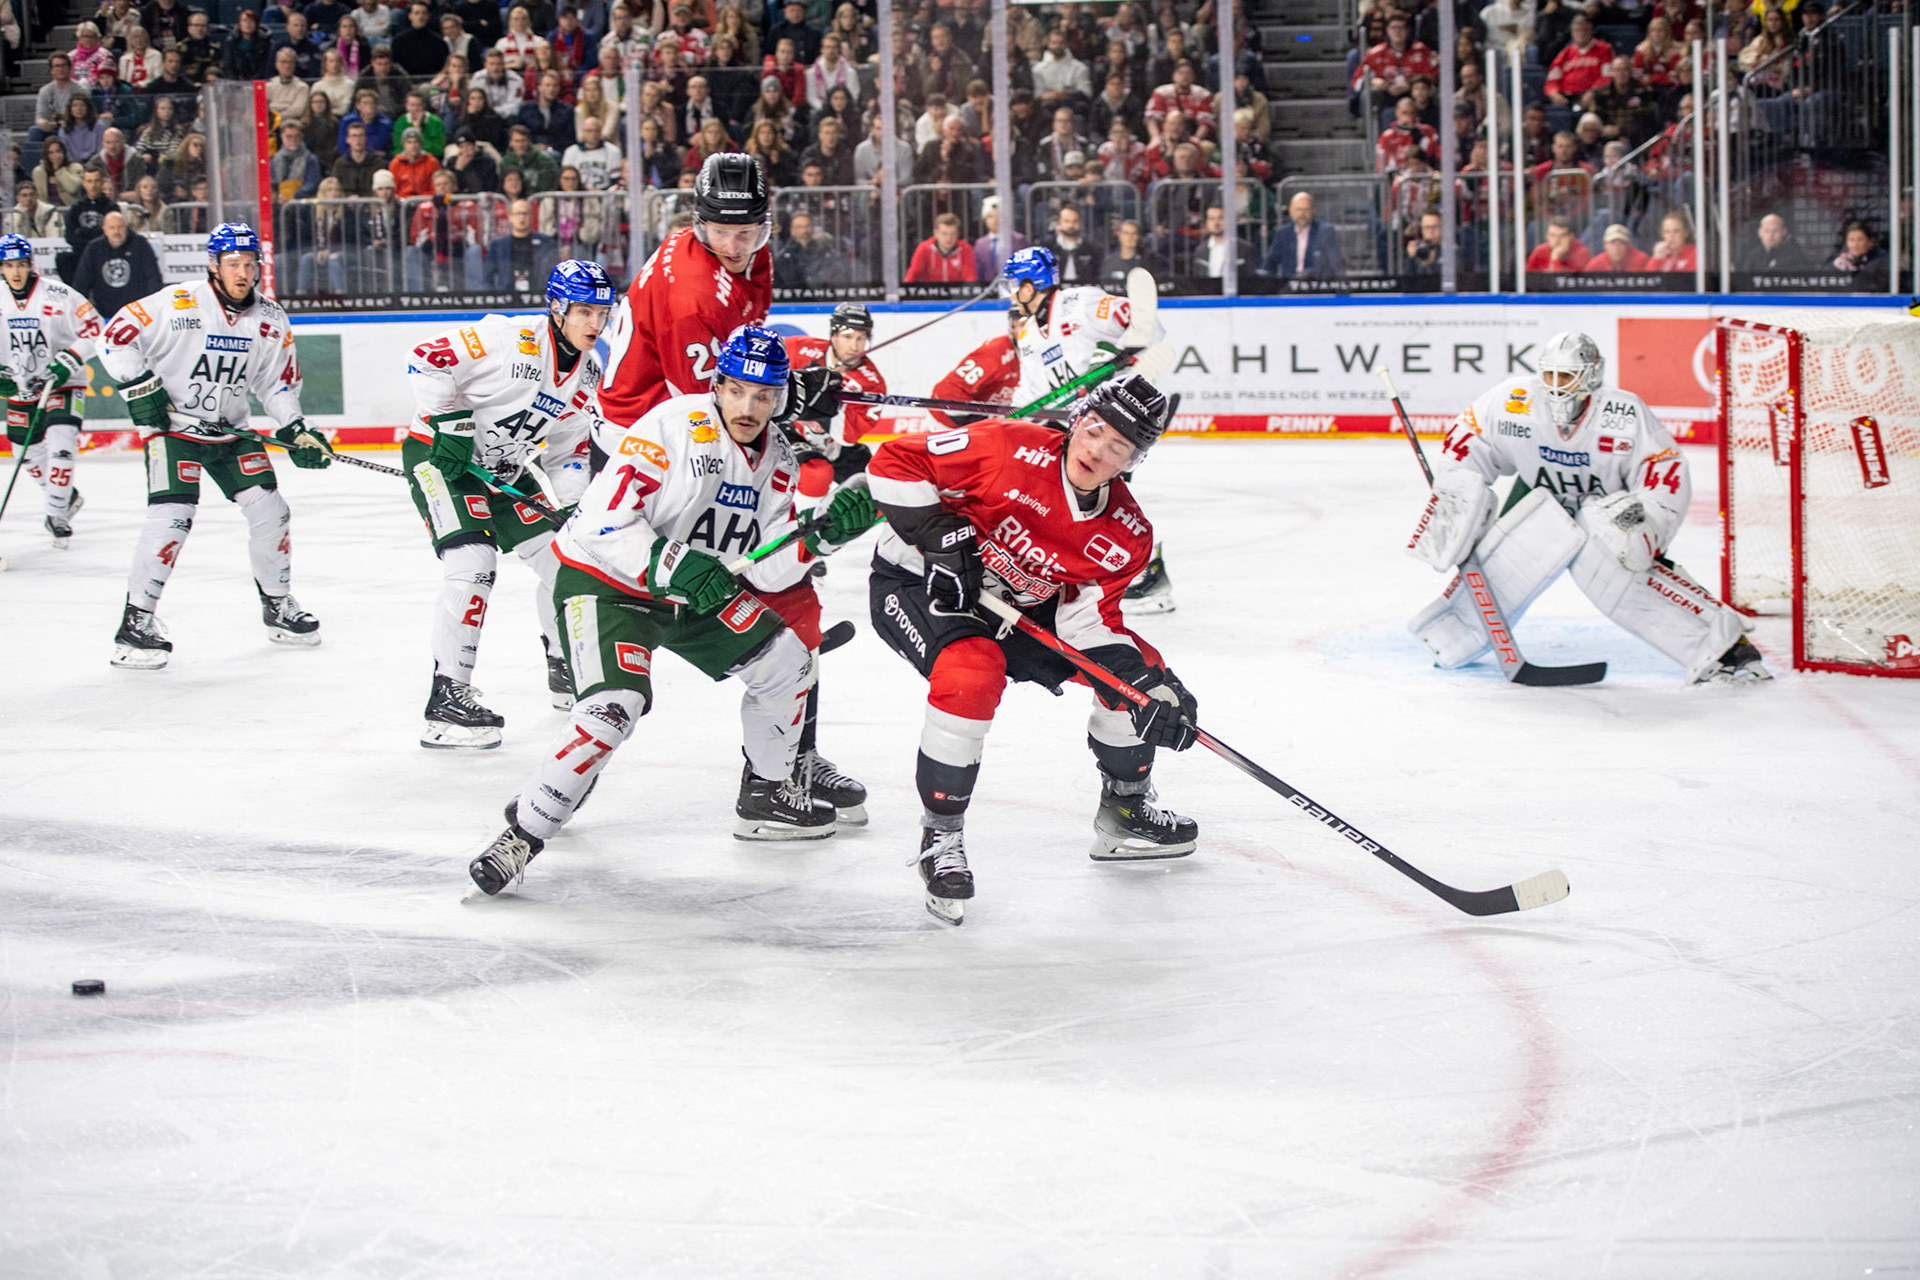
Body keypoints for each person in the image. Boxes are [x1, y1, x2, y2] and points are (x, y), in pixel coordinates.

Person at [463, 322, 882, 892]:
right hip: (604, 582)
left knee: (787, 661)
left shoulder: (780, 461)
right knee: (615, 708)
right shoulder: (672, 426)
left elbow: (764, 566)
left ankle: (765, 793)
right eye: (737, 390)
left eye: (763, 395)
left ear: (779, 398)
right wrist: (675, 564)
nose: (749, 406)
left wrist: (822, 538)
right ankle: (525, 832)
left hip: (690, 593)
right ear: (719, 385)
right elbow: (602, 520)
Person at [865, 374, 1200, 923]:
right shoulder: (1005, 446)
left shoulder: (1127, 533)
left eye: (1119, 446)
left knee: (1138, 680)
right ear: (1079, 420)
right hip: (923, 584)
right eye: (1095, 430)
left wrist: (1144, 687)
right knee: (973, 672)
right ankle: (940, 837)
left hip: (1022, 612)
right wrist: (939, 535)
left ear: (1134, 461)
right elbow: (894, 463)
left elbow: (1089, 625)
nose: (1097, 450)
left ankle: (1126, 808)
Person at [1407, 331, 1770, 684]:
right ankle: (1448, 638)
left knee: (1621, 576)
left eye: (1566, 375)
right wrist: (1457, 498)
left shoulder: (1623, 413)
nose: (1555, 385)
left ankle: (1726, 649)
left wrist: (1649, 522)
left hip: (1608, 513)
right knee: (1505, 564)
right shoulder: (1512, 401)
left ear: (1591, 375)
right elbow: (1469, 442)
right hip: (1539, 497)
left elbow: (1664, 468)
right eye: (1549, 374)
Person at [100, 222, 332, 670]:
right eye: (233, 265)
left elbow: (277, 384)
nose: (243, 273)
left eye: (250, 265)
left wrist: (296, 426)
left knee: (272, 511)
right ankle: (136, 621)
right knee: (172, 517)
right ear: (213, 265)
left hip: (230, 432)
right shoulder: (178, 301)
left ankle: (277, 605)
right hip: (174, 431)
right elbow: (114, 336)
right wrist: (140, 386)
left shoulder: (271, 318)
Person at [403, 260, 611, 746]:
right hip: (443, 459)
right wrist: (447, 423)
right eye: (583, 311)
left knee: (569, 564)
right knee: (472, 564)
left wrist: (574, 506)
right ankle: (447, 697)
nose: (594, 324)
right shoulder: (509, 339)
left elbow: (568, 449)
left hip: (505, 472)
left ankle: (563, 665)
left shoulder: (589, 372)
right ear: (557, 308)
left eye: (602, 312)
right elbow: (426, 357)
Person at [1004, 246, 1173, 615]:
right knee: (1076, 498)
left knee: (1099, 497)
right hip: (1084, 428)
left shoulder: (1079, 302)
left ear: (1031, 285)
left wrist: (1110, 353)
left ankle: (1144, 574)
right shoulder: (1030, 336)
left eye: (1014, 284)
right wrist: (1008, 422)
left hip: (1124, 417)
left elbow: (1146, 324)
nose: (1012, 293)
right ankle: (1115, 574)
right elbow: (1031, 396)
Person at [0, 233, 102, 551]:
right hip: (21, 385)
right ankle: (65, 496)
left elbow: (95, 327)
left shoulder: (58, 294)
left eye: (21, 264)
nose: (16, 271)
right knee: (24, 451)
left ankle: (56, 514)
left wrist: (67, 361)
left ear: (32, 265)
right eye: (8, 265)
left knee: (62, 443)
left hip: (63, 382)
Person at [781, 301, 887, 520]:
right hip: (790, 431)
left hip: (833, 444)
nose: (855, 347)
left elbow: (846, 437)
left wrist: (827, 397)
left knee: (879, 492)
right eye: (848, 336)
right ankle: (800, 532)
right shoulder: (799, 349)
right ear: (833, 335)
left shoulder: (870, 383)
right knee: (816, 475)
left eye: (861, 338)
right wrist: (802, 382)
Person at [928, 303, 1024, 428]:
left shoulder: (1034, 353)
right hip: (947, 423)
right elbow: (948, 393)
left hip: (991, 419)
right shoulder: (997, 352)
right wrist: (978, 423)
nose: (1028, 331)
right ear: (1012, 327)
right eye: (1022, 325)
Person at [72, 208, 163, 319]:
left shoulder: (140, 245)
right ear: (104, 229)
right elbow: (82, 281)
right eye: (112, 228)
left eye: (120, 227)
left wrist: (155, 308)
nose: (116, 232)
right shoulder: (94, 248)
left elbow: (153, 278)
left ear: (126, 227)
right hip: (104, 314)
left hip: (138, 314)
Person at [1258, 191, 1344, 279]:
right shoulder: (1283, 233)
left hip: (1315, 284)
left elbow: (1335, 264)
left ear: (1314, 210)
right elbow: (1269, 262)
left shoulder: (1325, 231)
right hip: (1289, 285)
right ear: (1290, 211)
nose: (1302, 214)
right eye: (1298, 210)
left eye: (1306, 210)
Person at [484, 196, 559, 291]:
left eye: (525, 213)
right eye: (518, 214)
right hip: (507, 296)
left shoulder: (546, 242)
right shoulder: (498, 245)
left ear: (531, 216)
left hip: (538, 295)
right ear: (510, 217)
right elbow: (487, 277)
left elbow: (553, 273)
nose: (521, 217)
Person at [906, 212, 978, 283]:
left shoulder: (965, 249)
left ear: (958, 234)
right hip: (932, 293)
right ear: (936, 233)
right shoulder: (924, 248)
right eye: (944, 234)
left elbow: (970, 277)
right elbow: (913, 274)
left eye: (953, 234)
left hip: (957, 293)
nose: (949, 238)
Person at [1736, 213, 1805, 273]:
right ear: (1760, 232)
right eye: (1767, 231)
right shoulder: (1752, 256)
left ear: (1784, 232)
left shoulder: (1795, 256)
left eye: (1775, 231)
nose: (1771, 235)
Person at [1526, 216, 1590, 272]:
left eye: (1562, 236)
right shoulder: (1540, 251)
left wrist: (1555, 258)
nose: (1556, 240)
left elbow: (1563, 283)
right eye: (1552, 235)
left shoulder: (1581, 253)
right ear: (1547, 235)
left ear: (1571, 237)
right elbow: (1526, 279)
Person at [1584, 223, 1651, 272]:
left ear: (1628, 245)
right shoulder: (1596, 264)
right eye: (1612, 243)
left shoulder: (1641, 260)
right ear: (1605, 245)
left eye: (1621, 243)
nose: (1617, 247)